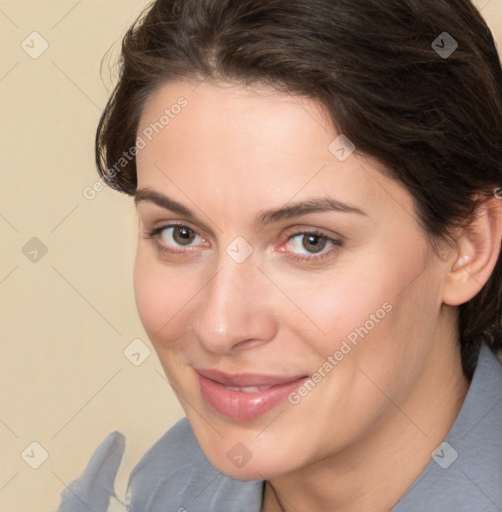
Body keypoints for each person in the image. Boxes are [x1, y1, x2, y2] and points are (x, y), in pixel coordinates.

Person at [57, 0, 502, 510]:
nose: (219, 327)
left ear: (469, 246)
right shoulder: (165, 486)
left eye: (310, 241)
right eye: (180, 234)